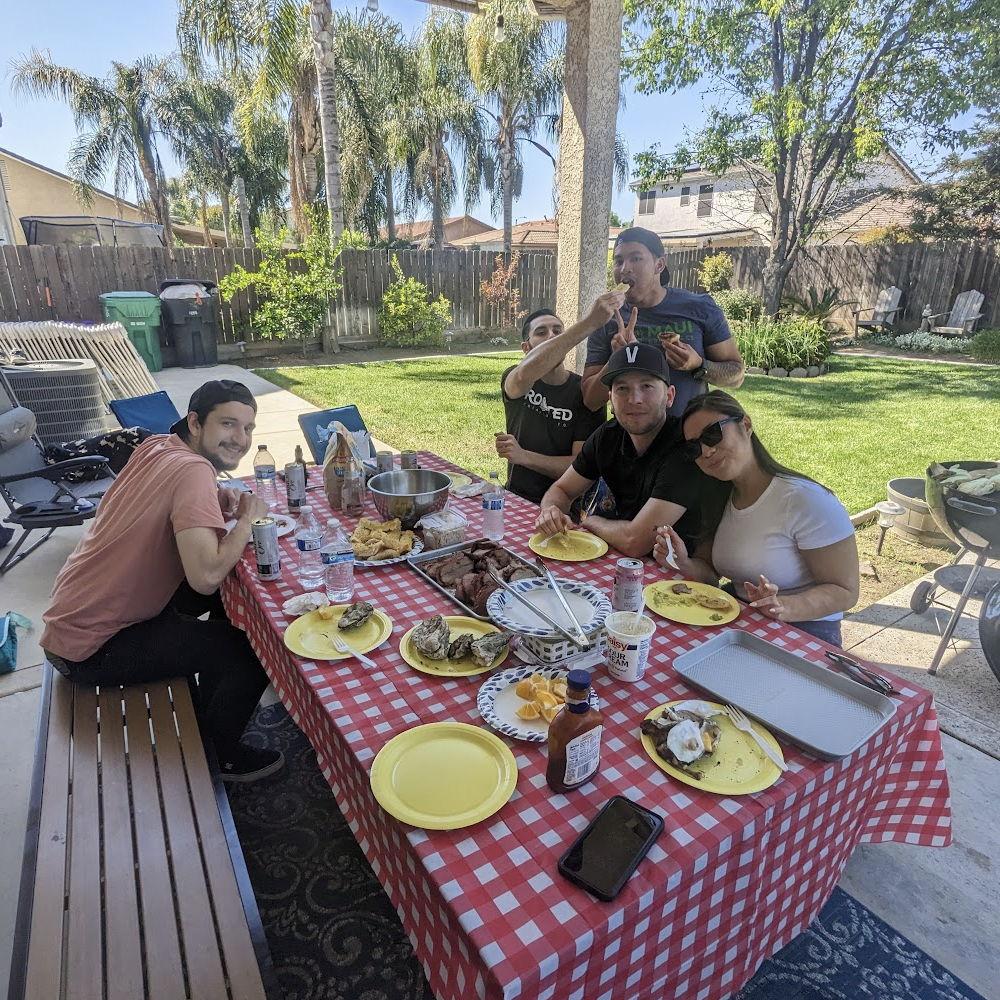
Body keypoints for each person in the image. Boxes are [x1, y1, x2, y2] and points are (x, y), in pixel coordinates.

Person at [41, 380, 283, 782]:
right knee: (251, 649)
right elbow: (205, 576)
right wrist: (247, 520)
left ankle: (216, 704)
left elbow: (161, 504)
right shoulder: (193, 471)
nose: (240, 439)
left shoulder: (158, 446)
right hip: (91, 648)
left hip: (72, 615)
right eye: (228, 424)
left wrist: (212, 501)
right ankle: (219, 756)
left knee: (225, 603)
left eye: (248, 428)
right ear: (195, 421)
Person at [653, 390, 859, 646]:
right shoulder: (718, 495)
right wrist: (684, 562)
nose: (706, 451)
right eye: (694, 447)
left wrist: (781, 606)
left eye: (713, 434)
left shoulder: (804, 499)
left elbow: (845, 591)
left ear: (746, 425)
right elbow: (710, 575)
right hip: (744, 616)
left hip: (806, 629)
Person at [534, 342, 721, 558]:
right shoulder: (608, 435)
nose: (634, 399)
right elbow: (562, 491)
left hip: (678, 576)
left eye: (647, 386)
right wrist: (551, 511)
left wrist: (591, 521)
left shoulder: (684, 447)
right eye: (622, 388)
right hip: (622, 561)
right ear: (611, 399)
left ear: (669, 396)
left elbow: (636, 542)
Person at [581, 227, 745, 417]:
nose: (624, 268)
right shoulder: (607, 318)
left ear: (659, 265)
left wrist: (699, 365)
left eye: (636, 258)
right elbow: (590, 400)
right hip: (632, 440)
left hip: (689, 436)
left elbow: (736, 376)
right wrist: (617, 360)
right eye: (618, 261)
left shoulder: (700, 307)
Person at [496, 297, 616, 504]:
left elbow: (580, 465)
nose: (551, 337)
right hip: (517, 497)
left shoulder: (585, 392)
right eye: (541, 332)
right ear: (526, 347)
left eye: (558, 331)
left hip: (566, 507)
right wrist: (590, 323)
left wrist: (523, 456)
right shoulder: (516, 378)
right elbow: (524, 375)